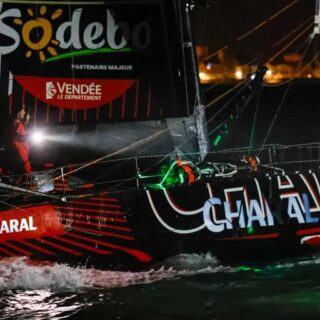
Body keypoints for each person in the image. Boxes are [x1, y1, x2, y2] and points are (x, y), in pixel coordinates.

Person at [7, 105, 32, 174]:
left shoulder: (18, 123)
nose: (24, 113)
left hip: (22, 155)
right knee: (23, 175)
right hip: (19, 155)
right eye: (23, 111)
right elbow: (15, 136)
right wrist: (28, 137)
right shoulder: (16, 123)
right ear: (19, 112)